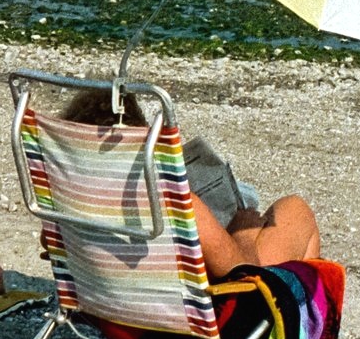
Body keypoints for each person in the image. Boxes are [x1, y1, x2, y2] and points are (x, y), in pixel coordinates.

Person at [56, 89, 320, 278]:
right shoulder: (173, 202)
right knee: (294, 210)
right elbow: (240, 271)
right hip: (196, 325)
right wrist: (245, 231)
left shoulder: (66, 200)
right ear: (144, 136)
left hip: (116, 316)